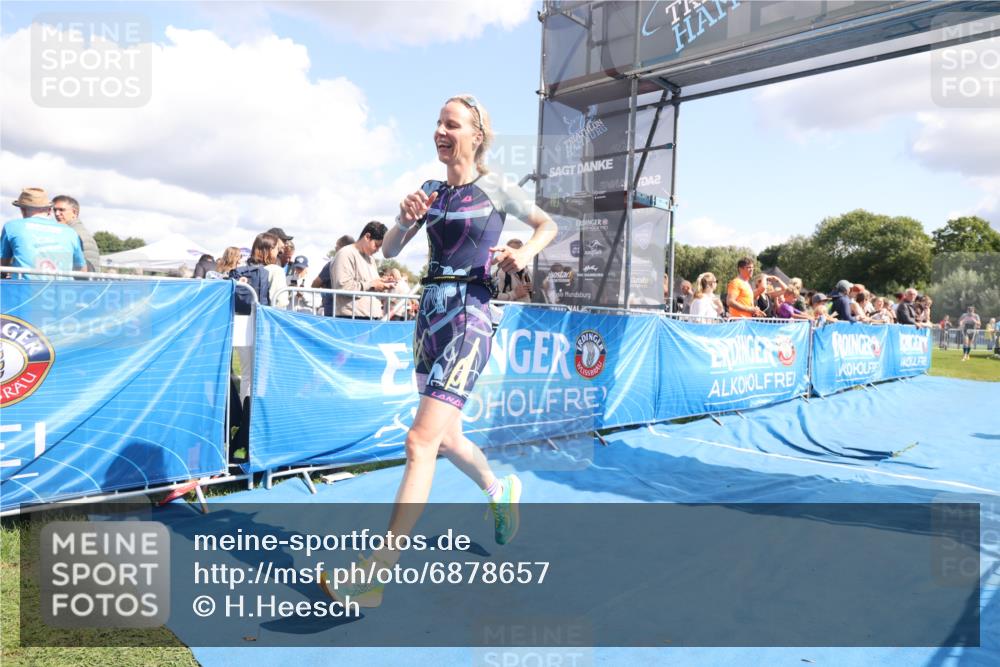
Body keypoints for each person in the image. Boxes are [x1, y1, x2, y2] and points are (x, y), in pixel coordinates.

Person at [320, 93, 556, 607]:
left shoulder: (496, 186)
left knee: (419, 442)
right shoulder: (429, 190)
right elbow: (390, 249)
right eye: (437, 123)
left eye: (452, 124)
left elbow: (547, 225)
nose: (440, 132)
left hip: (470, 317)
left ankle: (377, 572)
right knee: (446, 439)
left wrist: (523, 253)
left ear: (477, 135)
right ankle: (498, 490)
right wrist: (405, 217)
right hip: (428, 319)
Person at [1, 188, 86, 278]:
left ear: (23, 209)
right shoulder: (70, 232)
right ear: (49, 210)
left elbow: (3, 264)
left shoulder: (12, 226)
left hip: (25, 286)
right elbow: (82, 269)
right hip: (63, 286)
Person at [331, 222, 394, 319]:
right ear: (367, 237)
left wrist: (382, 283)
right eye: (376, 245)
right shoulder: (345, 254)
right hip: (352, 320)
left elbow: (371, 284)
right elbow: (343, 287)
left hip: (371, 319)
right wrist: (373, 284)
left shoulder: (371, 259)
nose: (377, 250)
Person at [52, 195, 100, 271]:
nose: (57, 213)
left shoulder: (78, 234)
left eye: (61, 210)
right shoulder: (70, 232)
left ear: (74, 212)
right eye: (55, 210)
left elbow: (90, 269)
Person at [312, 235, 354, 317]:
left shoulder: (333, 264)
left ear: (343, 249)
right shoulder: (358, 265)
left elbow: (315, 284)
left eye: (337, 246)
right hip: (352, 311)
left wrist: (324, 287)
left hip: (333, 311)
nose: (335, 248)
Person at [491, 238, 532, 303]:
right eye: (512, 252)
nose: (515, 255)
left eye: (519, 251)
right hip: (509, 309)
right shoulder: (500, 273)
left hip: (528, 308)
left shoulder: (528, 271)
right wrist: (515, 294)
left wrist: (533, 289)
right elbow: (493, 297)